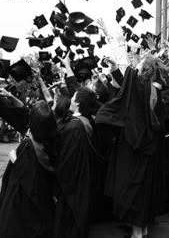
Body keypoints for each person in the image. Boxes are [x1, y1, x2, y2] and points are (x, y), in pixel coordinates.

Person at [96, 55, 167, 238]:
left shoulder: (143, 88)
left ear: (145, 70)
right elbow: (129, 89)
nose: (135, 67)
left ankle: (137, 234)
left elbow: (128, 90)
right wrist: (114, 69)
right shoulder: (155, 90)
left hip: (136, 149)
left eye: (139, 65)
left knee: (135, 191)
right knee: (143, 190)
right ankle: (142, 232)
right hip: (149, 149)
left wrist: (117, 67)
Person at [0, 100, 56, 238]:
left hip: (22, 207)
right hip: (43, 206)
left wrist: (15, 159)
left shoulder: (29, 146)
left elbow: (29, 179)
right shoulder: (51, 142)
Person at [53, 86, 103, 238]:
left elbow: (70, 159)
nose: (71, 98)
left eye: (74, 96)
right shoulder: (82, 121)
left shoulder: (77, 125)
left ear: (78, 103)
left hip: (73, 181)